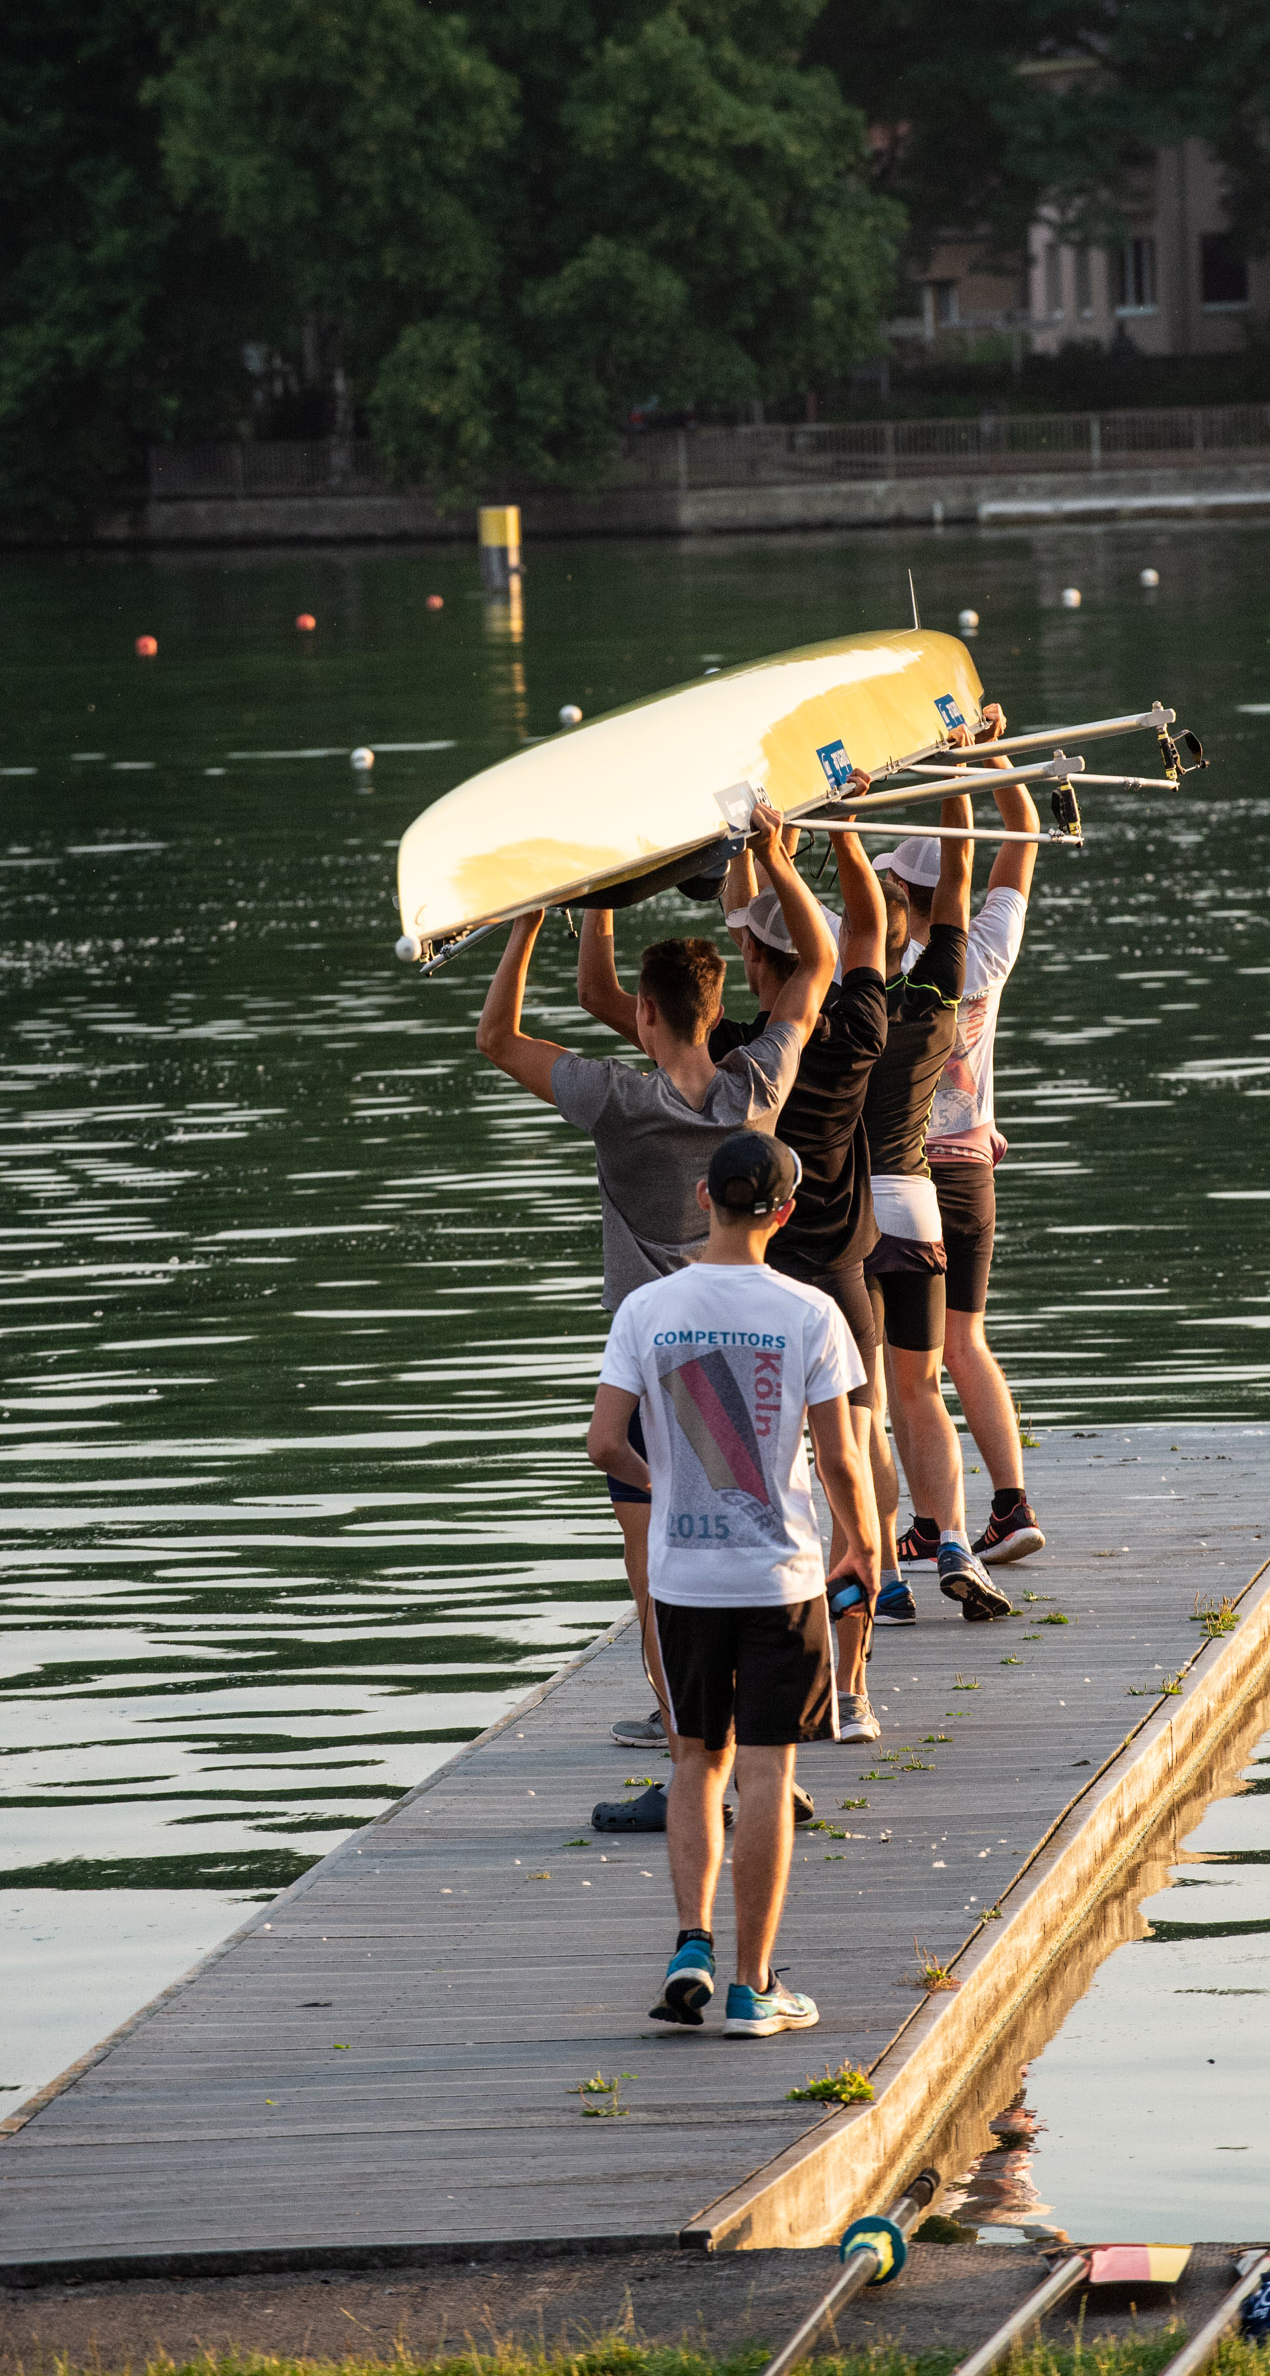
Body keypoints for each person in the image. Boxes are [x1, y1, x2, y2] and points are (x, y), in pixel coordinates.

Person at [475, 806, 834, 1820]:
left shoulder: (614, 1102)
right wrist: (768, 854)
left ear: (643, 1015)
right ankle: (767, 1773)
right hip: (748, 1367)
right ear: (712, 1005)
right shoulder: (754, 1085)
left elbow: (494, 1035)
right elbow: (812, 968)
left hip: (651, 1375)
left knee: (657, 1584)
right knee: (753, 1557)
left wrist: (539, 917)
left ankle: (688, 1771)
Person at [579, 825, 887, 1744]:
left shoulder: (671, 1090)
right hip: (815, 1290)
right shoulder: (792, 1061)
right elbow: (840, 945)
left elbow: (600, 1003)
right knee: (828, 1480)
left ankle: (687, 1728)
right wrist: (788, 858)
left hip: (699, 1323)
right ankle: (844, 1691)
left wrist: (589, 894)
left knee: (679, 1544)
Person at [586, 1130, 878, 2034]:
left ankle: (690, 1944)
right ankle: (755, 1988)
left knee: (692, 1763)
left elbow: (602, 1444)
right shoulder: (810, 1314)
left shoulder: (647, 1309)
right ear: (784, 1214)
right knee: (764, 1770)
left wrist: (669, 1492)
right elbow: (839, 1457)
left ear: (704, 1197)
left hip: (683, 1578)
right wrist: (864, 1548)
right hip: (780, 1571)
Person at [871, 709, 1044, 1614]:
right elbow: (1019, 834)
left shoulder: (872, 968)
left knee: (907, 1367)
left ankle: (929, 1527)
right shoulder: (987, 949)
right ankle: (1009, 1505)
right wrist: (984, 756)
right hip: (974, 1166)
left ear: (897, 888)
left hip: (909, 1173)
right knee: (965, 1340)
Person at [862, 785, 1011, 1624]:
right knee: (921, 1387)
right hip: (921, 1202)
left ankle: (884, 1573)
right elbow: (959, 886)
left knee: (865, 1406)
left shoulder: (828, 1018)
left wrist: (758, 857)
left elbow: (775, 947)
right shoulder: (932, 1009)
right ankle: (954, 1538)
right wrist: (960, 788)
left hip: (849, 1220)